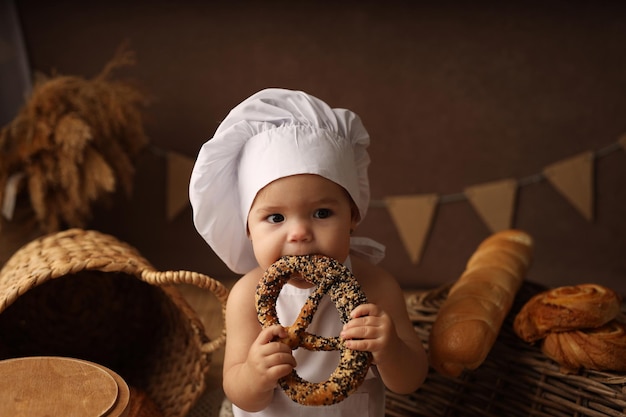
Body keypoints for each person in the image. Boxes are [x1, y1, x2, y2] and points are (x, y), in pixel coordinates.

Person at [189, 88, 427, 416]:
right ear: (248, 230)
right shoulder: (247, 295)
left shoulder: (376, 288)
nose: (299, 233)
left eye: (322, 213)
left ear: (353, 216)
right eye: (275, 218)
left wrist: (391, 350)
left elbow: (410, 380)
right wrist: (254, 375)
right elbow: (240, 395)